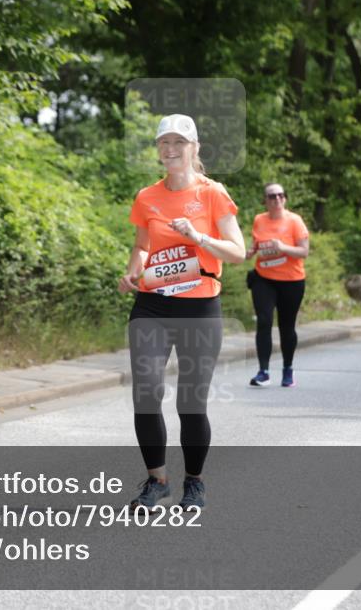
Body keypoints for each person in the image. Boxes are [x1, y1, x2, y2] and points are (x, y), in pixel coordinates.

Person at [118, 114, 245, 511]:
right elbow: (142, 246)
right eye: (164, 143)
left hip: (199, 307)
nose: (171, 149)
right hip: (153, 305)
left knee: (191, 402)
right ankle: (157, 480)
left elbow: (238, 252)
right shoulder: (147, 196)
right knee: (146, 391)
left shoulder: (212, 193)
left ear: (195, 148)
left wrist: (198, 236)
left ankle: (195, 481)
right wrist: (133, 269)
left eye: (179, 142)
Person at [245, 183, 310, 387]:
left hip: (291, 281)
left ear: (285, 198)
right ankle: (263, 371)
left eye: (281, 195)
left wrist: (283, 247)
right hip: (264, 279)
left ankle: (287, 369)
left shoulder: (294, 221)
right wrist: (250, 252)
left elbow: (304, 251)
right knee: (264, 321)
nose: (277, 199)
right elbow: (257, 245)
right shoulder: (259, 220)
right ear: (265, 200)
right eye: (272, 196)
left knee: (286, 327)